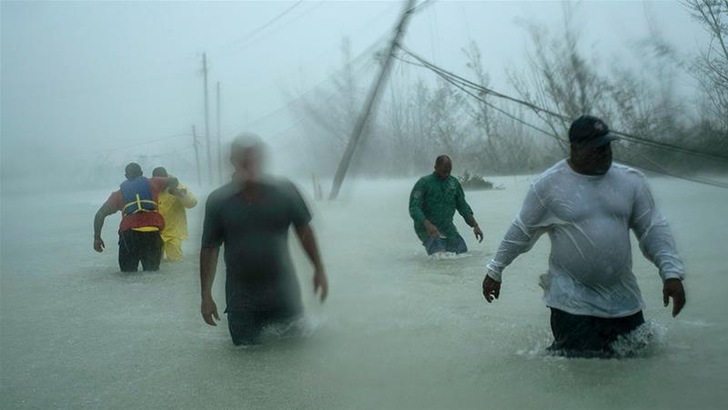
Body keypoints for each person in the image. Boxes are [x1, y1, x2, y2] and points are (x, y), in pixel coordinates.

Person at [482, 115, 687, 357]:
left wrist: (671, 273)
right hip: (571, 305)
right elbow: (521, 231)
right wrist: (495, 270)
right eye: (596, 148)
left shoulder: (631, 181)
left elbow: (653, 228)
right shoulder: (549, 185)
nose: (604, 153)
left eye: (607, 146)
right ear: (575, 148)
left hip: (624, 301)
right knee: (583, 375)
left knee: (638, 367)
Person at [199, 133, 329, 346]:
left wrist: (319, 269)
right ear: (233, 162)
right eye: (244, 160)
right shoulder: (218, 201)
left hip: (284, 296)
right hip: (241, 302)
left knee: (294, 362)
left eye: (254, 159)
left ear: (262, 161)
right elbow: (209, 249)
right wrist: (206, 295)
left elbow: (304, 231)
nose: (249, 165)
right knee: (245, 363)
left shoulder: (285, 192)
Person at [93, 162, 178, 272]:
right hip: (152, 235)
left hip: (129, 236)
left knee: (128, 276)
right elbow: (174, 180)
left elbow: (99, 215)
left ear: (126, 176)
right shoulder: (154, 182)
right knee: (152, 274)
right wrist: (172, 189)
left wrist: (97, 237)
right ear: (142, 174)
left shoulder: (118, 194)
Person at [409, 155, 484, 255]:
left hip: (447, 227)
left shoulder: (453, 183)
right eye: (444, 171)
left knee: (462, 252)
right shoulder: (424, 183)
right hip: (426, 228)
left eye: (449, 171)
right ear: (435, 168)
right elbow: (414, 208)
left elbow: (463, 206)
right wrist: (427, 224)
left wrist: (475, 225)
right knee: (440, 257)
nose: (446, 174)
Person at [151, 167, 197, 262]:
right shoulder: (151, 188)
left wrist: (179, 194)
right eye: (158, 181)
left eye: (163, 181)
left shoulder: (178, 186)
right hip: (155, 232)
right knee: (155, 263)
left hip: (174, 233)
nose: (161, 184)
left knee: (175, 262)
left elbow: (192, 203)